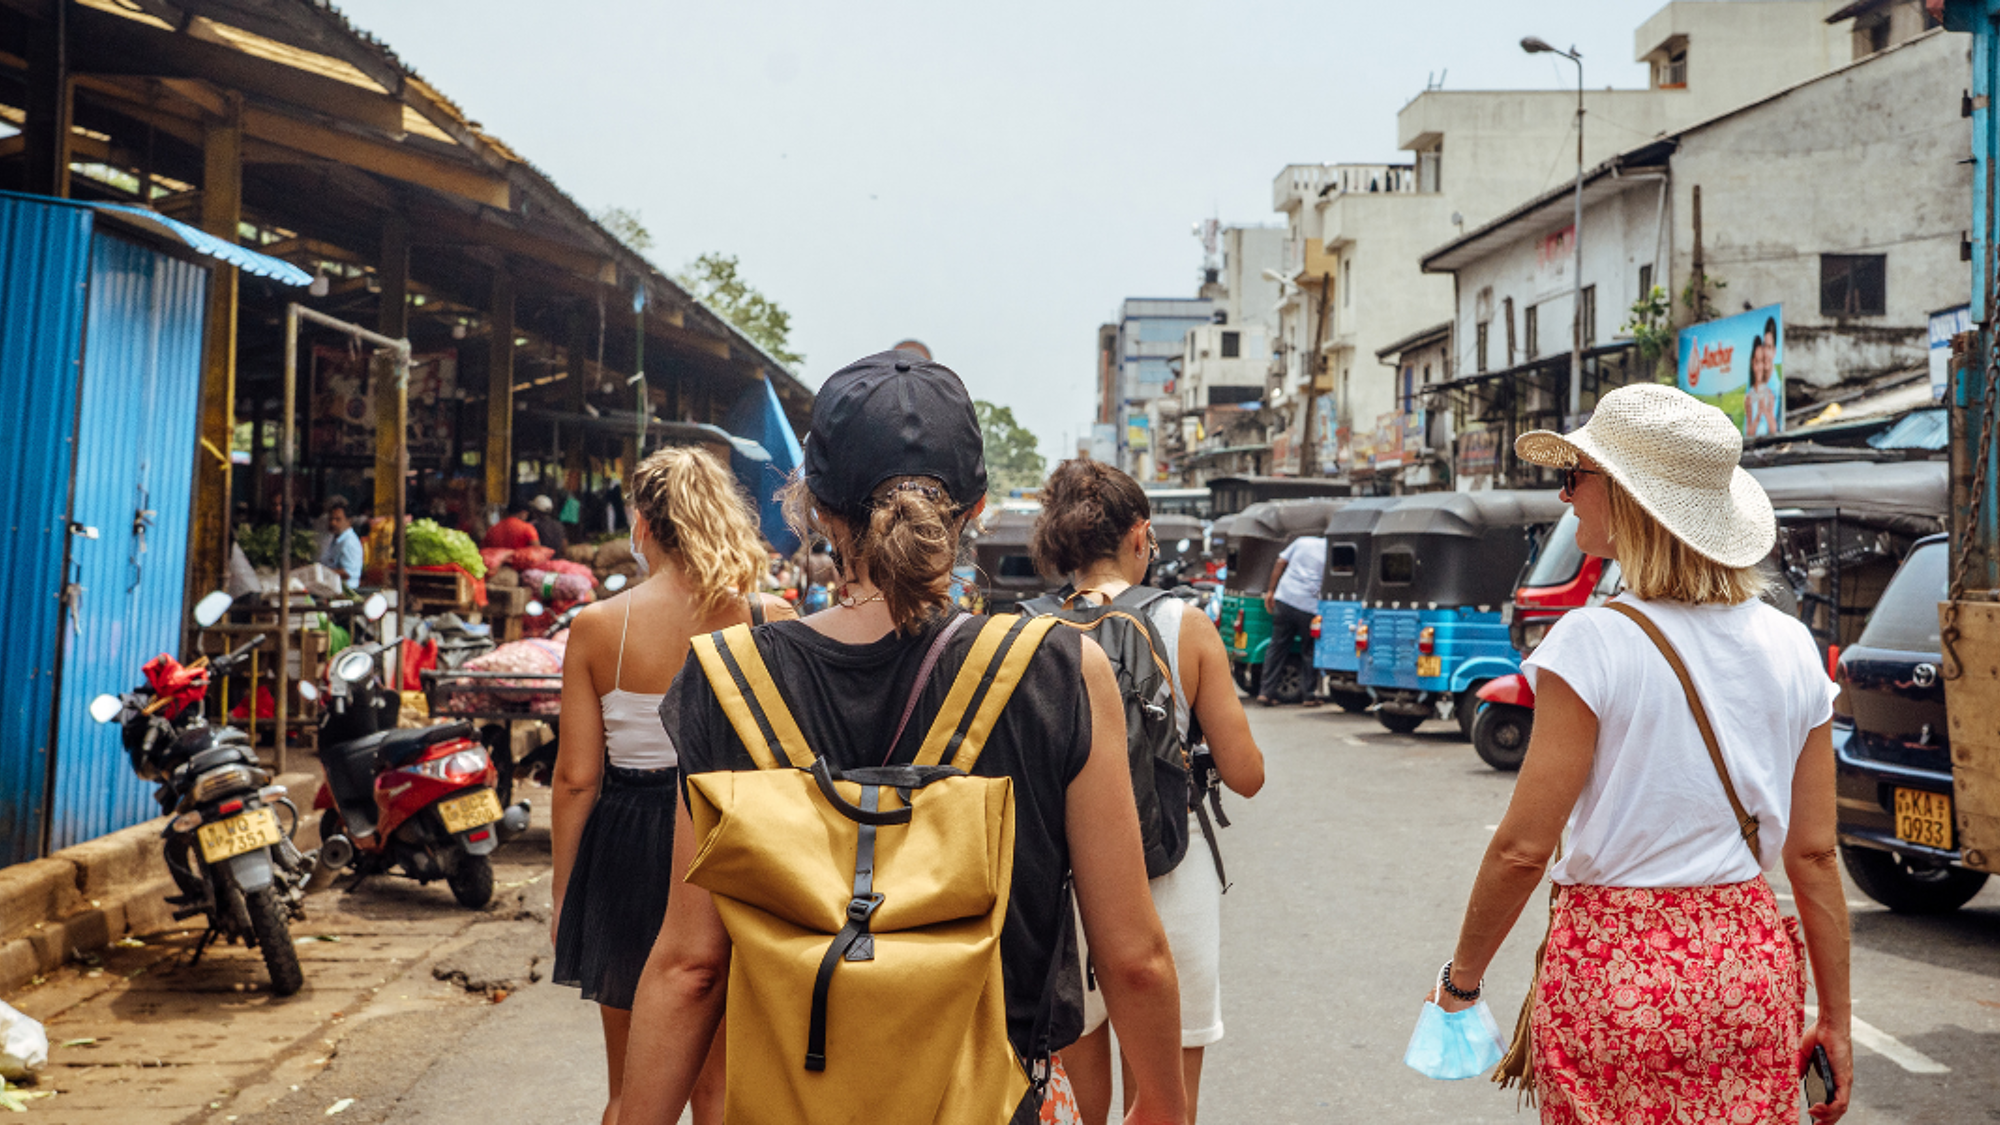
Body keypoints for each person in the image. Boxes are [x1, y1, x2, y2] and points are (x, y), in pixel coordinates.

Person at [618, 351, 1188, 1125]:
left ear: (815, 506)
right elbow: (1133, 957)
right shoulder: (1060, 671)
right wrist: (1161, 1105)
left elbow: (689, 967)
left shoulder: (728, 679)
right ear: (976, 507)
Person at [1429, 383, 1851, 1125]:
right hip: (1745, 972)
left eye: (1574, 478)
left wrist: (1462, 980)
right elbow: (1814, 855)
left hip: (1613, 978)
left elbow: (1524, 848)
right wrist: (1837, 1022)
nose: (1565, 498)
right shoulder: (1792, 644)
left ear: (1627, 497)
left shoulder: (1593, 641)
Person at [550, 446, 793, 1125]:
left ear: (643, 524)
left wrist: (566, 890)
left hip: (629, 844)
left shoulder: (599, 626)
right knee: (719, 1089)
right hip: (735, 842)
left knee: (632, 1091)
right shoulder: (773, 619)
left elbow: (575, 779)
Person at [1029, 459, 1265, 1125]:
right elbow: (1247, 773)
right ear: (1140, 534)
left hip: (1061, 899)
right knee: (1164, 1109)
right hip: (1168, 886)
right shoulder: (1185, 623)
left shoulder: (1025, 630)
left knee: (1080, 1110)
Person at [1257, 530, 1325, 706]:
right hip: (1309, 607)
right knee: (1309, 651)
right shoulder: (1329, 549)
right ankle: (1308, 696)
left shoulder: (1302, 541)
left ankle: (1266, 692)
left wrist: (1271, 590)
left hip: (1285, 599)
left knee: (1277, 647)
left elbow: (1280, 562)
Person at [318, 499, 363, 588]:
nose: (333, 523)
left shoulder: (349, 542)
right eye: (331, 519)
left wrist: (321, 573)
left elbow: (348, 573)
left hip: (347, 592)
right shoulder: (336, 540)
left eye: (338, 520)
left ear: (349, 521)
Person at [1745, 332, 1780, 438]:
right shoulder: (1749, 397)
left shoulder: (1769, 393)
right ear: (1752, 364)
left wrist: (1766, 410)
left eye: (1762, 361)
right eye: (1757, 362)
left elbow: (1774, 429)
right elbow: (1748, 433)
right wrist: (1758, 415)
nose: (1760, 367)